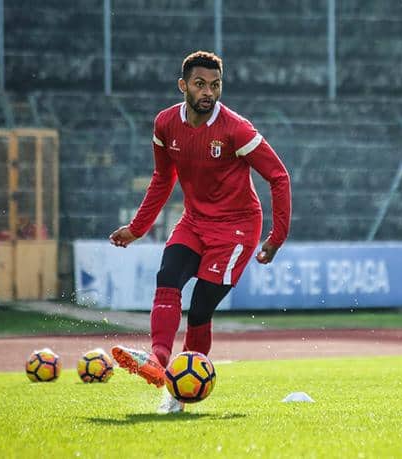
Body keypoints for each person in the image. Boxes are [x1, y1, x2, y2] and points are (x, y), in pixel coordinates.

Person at [108, 51, 291, 414]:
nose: (208, 92)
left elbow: (278, 176)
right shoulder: (165, 125)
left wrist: (276, 236)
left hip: (236, 230)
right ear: (183, 86)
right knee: (168, 278)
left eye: (215, 85)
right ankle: (158, 359)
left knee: (201, 309)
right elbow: (163, 178)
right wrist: (137, 228)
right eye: (200, 84)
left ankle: (178, 395)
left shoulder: (237, 129)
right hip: (194, 222)